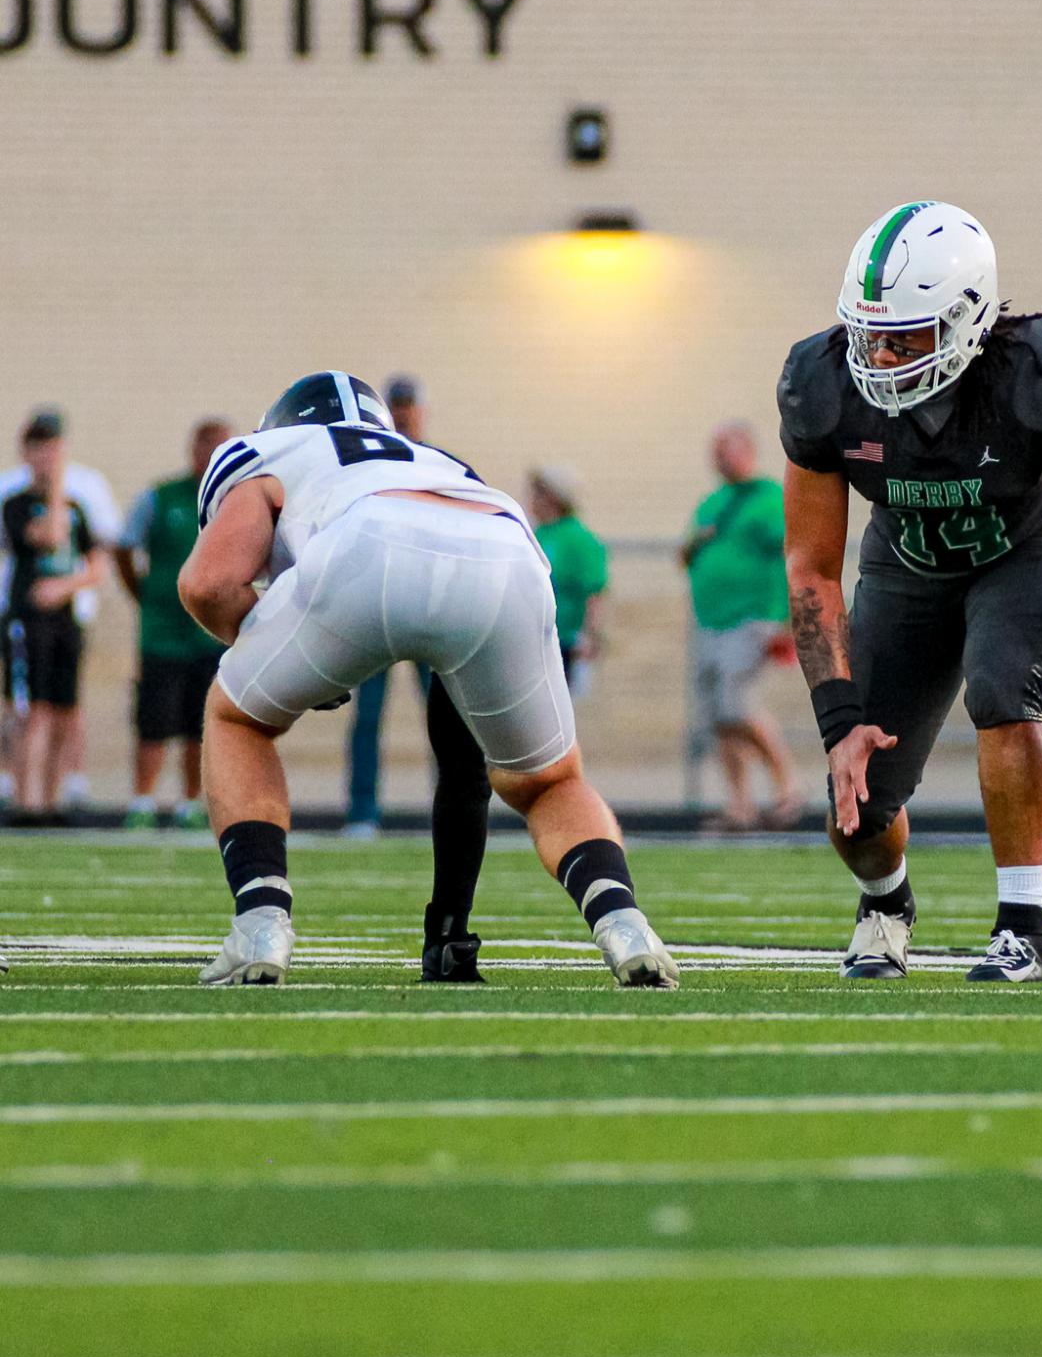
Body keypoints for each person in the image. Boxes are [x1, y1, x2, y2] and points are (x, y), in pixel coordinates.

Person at [178, 371, 676, 989]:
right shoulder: (435, 459)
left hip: (367, 546)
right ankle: (623, 923)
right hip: (505, 553)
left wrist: (290, 665)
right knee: (548, 782)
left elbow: (208, 583)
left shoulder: (269, 451)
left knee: (237, 719)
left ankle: (260, 925)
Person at [779, 200, 1042, 984]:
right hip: (905, 564)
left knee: (998, 685)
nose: (879, 359)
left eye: (904, 336)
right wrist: (838, 719)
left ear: (967, 319)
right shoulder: (820, 382)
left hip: (1023, 549)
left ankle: (1022, 928)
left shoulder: (1035, 377)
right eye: (867, 333)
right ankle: (885, 904)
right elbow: (812, 566)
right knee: (857, 808)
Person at [114, 419, 233, 830]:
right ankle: (143, 800)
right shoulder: (161, 498)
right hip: (163, 635)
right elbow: (124, 546)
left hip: (210, 635)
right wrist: (144, 593)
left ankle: (190, 803)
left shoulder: (237, 501)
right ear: (194, 450)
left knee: (199, 723)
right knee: (153, 721)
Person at [681, 422, 800, 832]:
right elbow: (686, 556)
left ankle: (787, 791)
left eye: (725, 449)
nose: (718, 457)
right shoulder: (712, 503)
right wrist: (696, 542)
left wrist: (788, 618)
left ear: (747, 451)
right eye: (714, 450)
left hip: (753, 618)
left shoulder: (768, 499)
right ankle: (740, 804)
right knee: (718, 715)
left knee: (737, 705)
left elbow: (791, 555)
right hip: (710, 620)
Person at [0, 408, 120, 812]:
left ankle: (49, 802)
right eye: (40, 450)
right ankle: (25, 800)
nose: (47, 458)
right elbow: (49, 537)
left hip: (65, 620)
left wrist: (65, 586)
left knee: (62, 710)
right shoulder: (17, 503)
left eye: (53, 449)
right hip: (26, 620)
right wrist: (54, 485)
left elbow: (97, 565)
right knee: (30, 710)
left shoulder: (76, 503)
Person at [342, 373, 430, 836]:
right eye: (395, 405)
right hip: (377, 605)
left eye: (408, 405)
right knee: (368, 716)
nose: (402, 413)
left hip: (428, 606)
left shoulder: (435, 464)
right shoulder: (366, 462)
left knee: (445, 721)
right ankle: (362, 812)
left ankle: (452, 812)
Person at [528, 466, 610, 682]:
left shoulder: (579, 538)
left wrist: (590, 637)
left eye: (538, 493)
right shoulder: (538, 534)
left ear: (554, 498)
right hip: (537, 640)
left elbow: (595, 593)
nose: (531, 499)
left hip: (566, 641)